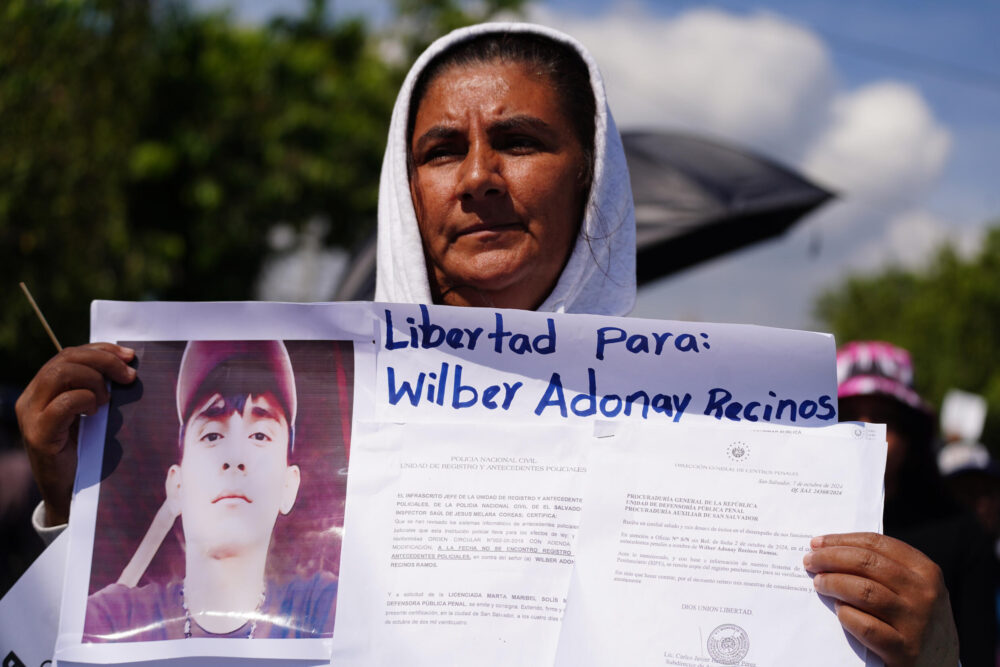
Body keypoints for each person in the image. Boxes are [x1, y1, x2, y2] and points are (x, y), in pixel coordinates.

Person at [16, 21, 959, 664]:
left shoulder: (710, 427)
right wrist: (77, 498)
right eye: (439, 151)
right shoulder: (316, 485)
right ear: (405, 187)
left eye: (519, 139)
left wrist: (930, 646)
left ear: (593, 182)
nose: (478, 178)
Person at [81, 340, 336, 641]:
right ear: (177, 485)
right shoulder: (111, 619)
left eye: (259, 435)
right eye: (212, 435)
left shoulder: (325, 608)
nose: (235, 457)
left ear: (289, 485)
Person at [837, 341, 995, 665]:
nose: (864, 431)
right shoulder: (790, 519)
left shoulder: (963, 535)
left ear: (911, 434)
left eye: (884, 419)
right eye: (847, 416)